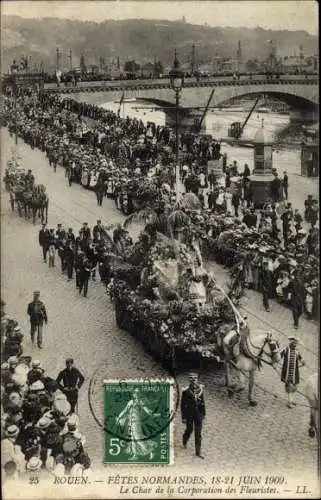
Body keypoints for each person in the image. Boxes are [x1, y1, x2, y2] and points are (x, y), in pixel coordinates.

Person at [181, 373, 205, 459]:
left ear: (197, 379)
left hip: (198, 414)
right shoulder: (186, 391)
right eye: (191, 378)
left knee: (198, 434)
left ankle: (198, 452)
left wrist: (203, 414)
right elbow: (182, 405)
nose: (193, 380)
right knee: (189, 429)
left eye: (195, 378)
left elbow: (202, 402)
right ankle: (184, 439)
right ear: (189, 380)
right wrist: (183, 417)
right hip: (189, 414)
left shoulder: (200, 389)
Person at [280, 336, 305, 408]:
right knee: (290, 386)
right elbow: (279, 356)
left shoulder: (297, 351)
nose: (295, 345)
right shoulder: (285, 350)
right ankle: (289, 402)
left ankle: (291, 400)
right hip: (287, 372)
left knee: (295, 387)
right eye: (294, 344)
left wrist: (303, 362)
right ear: (291, 343)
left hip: (295, 372)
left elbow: (301, 358)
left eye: (296, 344)